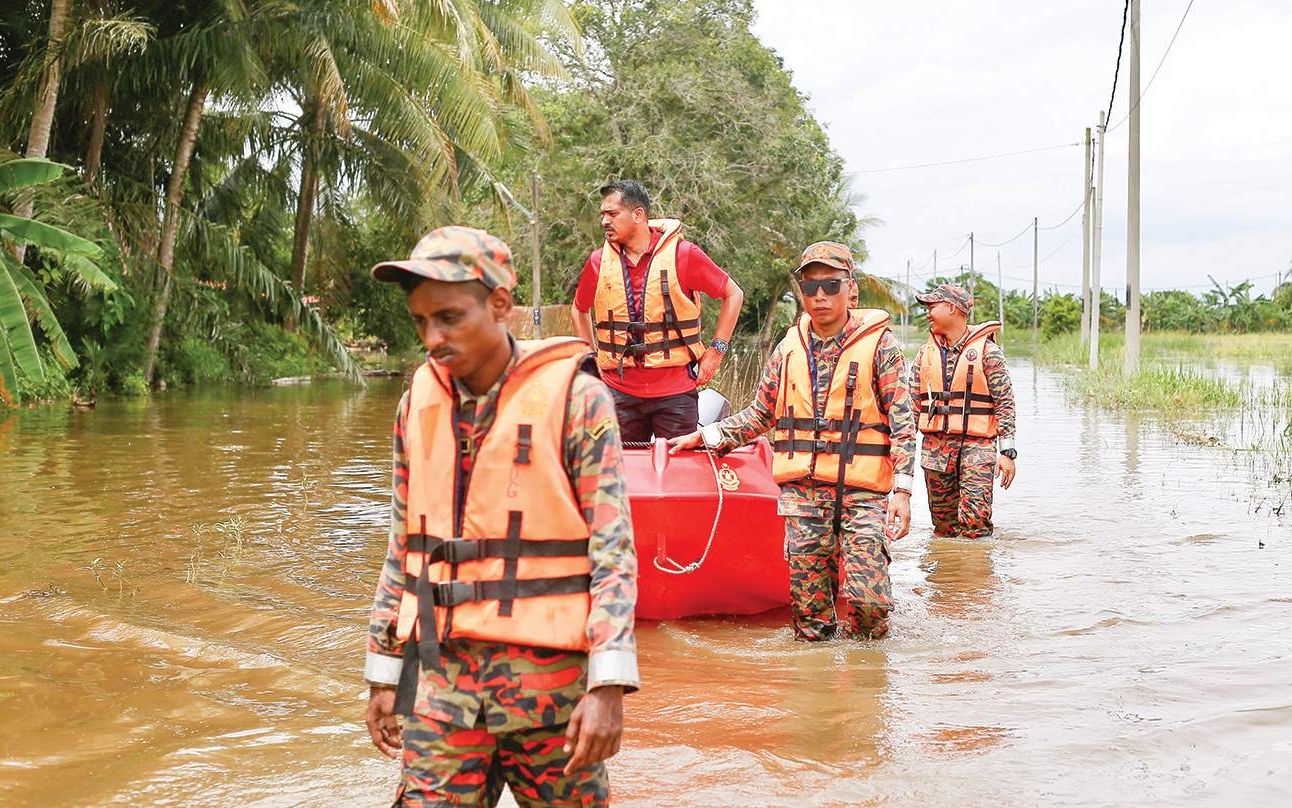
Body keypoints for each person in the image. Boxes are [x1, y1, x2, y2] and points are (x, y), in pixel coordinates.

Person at [364, 226, 639, 807]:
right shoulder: (417, 400)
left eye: (448, 317)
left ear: (499, 305)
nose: (432, 338)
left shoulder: (579, 400)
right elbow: (402, 545)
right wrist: (385, 673)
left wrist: (609, 685)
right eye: (419, 322)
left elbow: (613, 551)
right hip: (442, 685)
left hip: (553, 694)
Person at [670, 241, 915, 641]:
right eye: (810, 286)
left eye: (831, 285)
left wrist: (903, 492)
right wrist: (707, 435)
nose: (820, 296)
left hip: (863, 493)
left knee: (868, 602)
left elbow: (903, 421)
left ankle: (868, 685)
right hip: (803, 494)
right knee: (809, 617)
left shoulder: (881, 346)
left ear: (849, 286)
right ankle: (816, 693)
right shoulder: (788, 348)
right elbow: (760, 414)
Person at [572, 180, 744, 443]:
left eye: (612, 214)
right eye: (602, 214)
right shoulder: (598, 262)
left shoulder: (683, 255)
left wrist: (715, 352)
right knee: (620, 481)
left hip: (675, 395)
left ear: (638, 214)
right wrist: (591, 358)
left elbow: (734, 294)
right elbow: (579, 309)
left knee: (679, 478)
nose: (604, 221)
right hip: (618, 394)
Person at [910, 283, 1017, 539]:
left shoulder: (988, 353)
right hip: (935, 451)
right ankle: (946, 577)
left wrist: (1008, 452)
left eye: (932, 306)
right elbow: (911, 407)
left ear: (952, 308)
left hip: (977, 450)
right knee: (943, 531)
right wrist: (896, 453)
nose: (927, 312)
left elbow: (1005, 402)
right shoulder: (925, 354)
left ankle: (978, 576)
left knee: (975, 525)